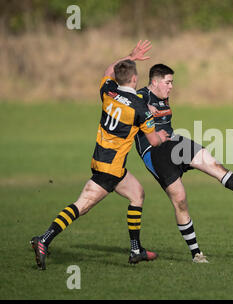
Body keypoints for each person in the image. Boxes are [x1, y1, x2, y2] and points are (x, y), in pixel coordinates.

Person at [30, 40, 170, 270]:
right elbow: (153, 141)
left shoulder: (108, 91)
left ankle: (136, 250)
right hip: (110, 168)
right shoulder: (140, 108)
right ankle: (44, 240)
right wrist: (163, 134)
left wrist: (131, 57)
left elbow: (108, 70)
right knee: (82, 206)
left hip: (100, 160)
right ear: (134, 80)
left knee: (137, 194)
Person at [135, 64, 233, 263]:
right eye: (168, 82)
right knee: (180, 200)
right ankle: (196, 254)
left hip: (174, 143)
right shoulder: (140, 97)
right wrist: (144, 110)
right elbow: (128, 107)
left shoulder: (163, 97)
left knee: (215, 165)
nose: (171, 87)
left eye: (172, 82)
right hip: (154, 153)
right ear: (155, 81)